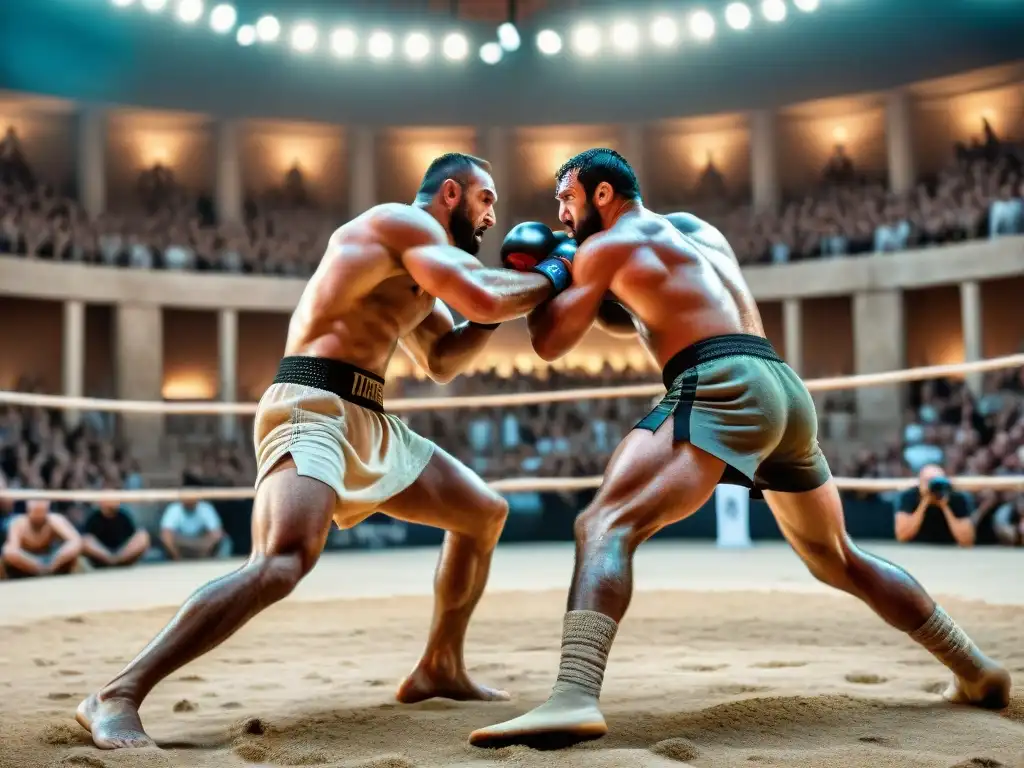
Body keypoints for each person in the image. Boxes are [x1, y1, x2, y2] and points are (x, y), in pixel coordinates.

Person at [469, 148, 1011, 749]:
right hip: (781, 385)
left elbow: (549, 341)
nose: (562, 217)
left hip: (718, 382)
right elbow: (640, 313)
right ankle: (975, 668)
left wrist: (558, 269)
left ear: (602, 195)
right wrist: (586, 278)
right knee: (838, 556)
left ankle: (572, 697)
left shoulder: (604, 245)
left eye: (566, 200)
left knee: (604, 523)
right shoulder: (696, 233)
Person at [77, 152, 574, 750]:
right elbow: (484, 298)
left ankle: (440, 665)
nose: (493, 214)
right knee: (283, 559)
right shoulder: (401, 222)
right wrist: (559, 270)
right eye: (486, 198)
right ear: (450, 193)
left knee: (482, 513)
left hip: (367, 416)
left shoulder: (418, 271)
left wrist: (506, 304)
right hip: (311, 402)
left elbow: (442, 360)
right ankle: (117, 694)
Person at [894, 464, 976, 547]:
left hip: (949, 550)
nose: (933, 487)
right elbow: (902, 536)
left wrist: (945, 507)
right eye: (928, 481)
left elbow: (966, 541)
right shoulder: (909, 496)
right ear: (920, 483)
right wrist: (924, 503)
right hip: (916, 549)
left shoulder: (956, 498)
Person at [1, 499, 83, 579]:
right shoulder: (19, 522)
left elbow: (75, 541)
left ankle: (48, 570)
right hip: (26, 564)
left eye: (42, 501)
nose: (38, 503)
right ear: (27, 505)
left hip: (52, 561)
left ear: (48, 504)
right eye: (35, 501)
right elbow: (11, 551)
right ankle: (42, 570)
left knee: (76, 545)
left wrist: (53, 563)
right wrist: (37, 566)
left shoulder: (55, 519)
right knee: (7, 551)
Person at [81, 491, 152, 569]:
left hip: (122, 553)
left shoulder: (124, 516)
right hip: (102, 555)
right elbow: (88, 540)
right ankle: (111, 560)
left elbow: (133, 538)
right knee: (85, 539)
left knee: (143, 535)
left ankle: (116, 560)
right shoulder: (93, 517)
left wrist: (121, 555)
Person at [159, 493, 231, 560]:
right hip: (181, 544)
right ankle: (178, 561)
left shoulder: (205, 507)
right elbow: (166, 533)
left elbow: (216, 532)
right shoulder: (174, 508)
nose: (189, 499)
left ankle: (211, 563)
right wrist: (177, 556)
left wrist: (204, 552)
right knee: (165, 538)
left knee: (224, 539)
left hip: (201, 543)